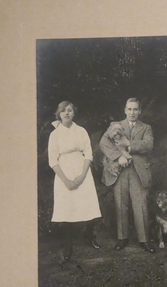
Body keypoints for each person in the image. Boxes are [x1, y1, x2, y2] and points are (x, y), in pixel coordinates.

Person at [100, 98, 155, 253]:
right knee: (121, 204)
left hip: (139, 171)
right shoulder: (115, 126)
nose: (132, 112)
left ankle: (144, 240)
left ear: (140, 111)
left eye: (135, 109)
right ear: (125, 110)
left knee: (141, 205)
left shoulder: (146, 128)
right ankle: (122, 238)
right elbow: (104, 143)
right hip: (120, 171)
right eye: (129, 109)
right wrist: (119, 157)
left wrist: (129, 145)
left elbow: (148, 145)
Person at [48, 101, 102, 260]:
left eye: (69, 110)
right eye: (63, 111)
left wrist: (83, 175)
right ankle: (68, 245)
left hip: (82, 171)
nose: (66, 113)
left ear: (74, 113)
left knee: (89, 206)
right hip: (64, 172)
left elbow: (88, 154)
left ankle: (89, 235)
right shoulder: (55, 134)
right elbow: (52, 160)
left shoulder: (81, 131)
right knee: (66, 209)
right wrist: (66, 180)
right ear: (59, 114)